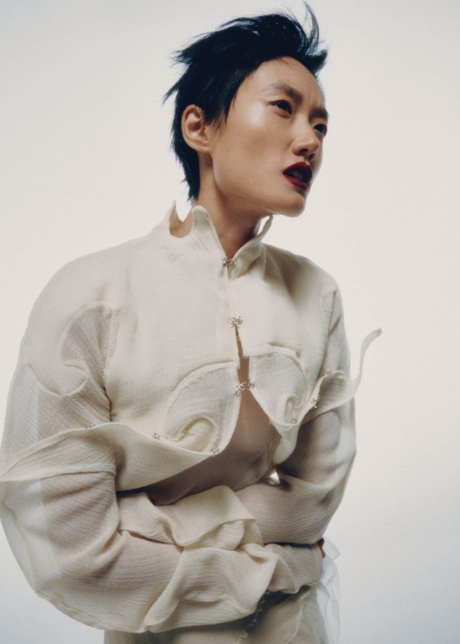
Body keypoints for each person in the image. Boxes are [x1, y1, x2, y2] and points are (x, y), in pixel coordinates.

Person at [0, 4, 380, 643]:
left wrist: (155, 525)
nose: (310, 140)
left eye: (320, 124)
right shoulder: (91, 295)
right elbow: (65, 543)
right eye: (283, 108)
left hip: (293, 626)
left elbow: (315, 501)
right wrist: (267, 567)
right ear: (199, 127)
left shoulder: (318, 295)